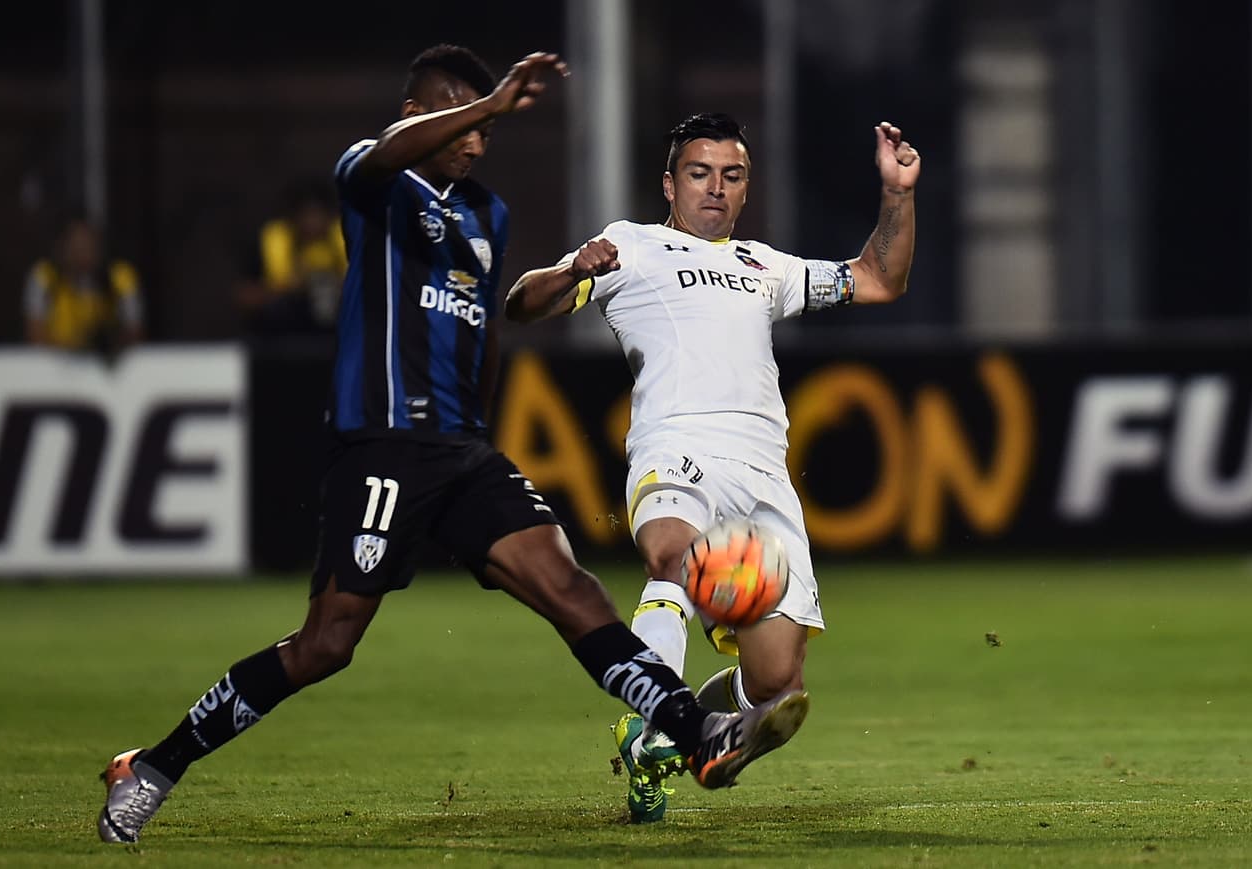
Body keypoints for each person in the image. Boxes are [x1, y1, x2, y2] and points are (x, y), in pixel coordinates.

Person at [96, 50, 809, 844]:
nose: (475, 137)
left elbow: (486, 328)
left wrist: (482, 429)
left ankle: (691, 730)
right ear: (415, 111)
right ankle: (155, 765)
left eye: (485, 122)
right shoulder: (375, 181)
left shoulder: (485, 215)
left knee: (573, 592)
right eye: (456, 114)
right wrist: (495, 100)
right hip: (383, 449)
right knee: (326, 643)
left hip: (463, 451)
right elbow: (392, 152)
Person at [505, 112, 919, 822]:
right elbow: (521, 305)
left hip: (764, 476)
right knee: (674, 554)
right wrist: (575, 268)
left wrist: (898, 195)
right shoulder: (632, 246)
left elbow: (878, 279)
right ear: (670, 183)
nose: (715, 189)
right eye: (700, 174)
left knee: (779, 684)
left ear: (746, 187)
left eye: (731, 176)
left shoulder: (766, 267)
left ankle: (672, 743)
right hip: (677, 446)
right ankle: (649, 713)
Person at [236, 182, 348, 336]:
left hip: (334, 339)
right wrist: (288, 288)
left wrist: (334, 285)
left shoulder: (346, 239)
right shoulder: (271, 241)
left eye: (317, 214)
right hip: (283, 339)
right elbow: (245, 297)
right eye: (306, 215)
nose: (312, 222)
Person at [23, 213, 145, 354]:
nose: (82, 256)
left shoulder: (121, 278)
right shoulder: (44, 277)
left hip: (108, 363)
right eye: (76, 248)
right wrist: (74, 349)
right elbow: (35, 335)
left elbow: (134, 332)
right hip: (56, 364)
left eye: (88, 247)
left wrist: (109, 345)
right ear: (61, 249)